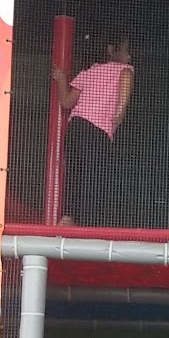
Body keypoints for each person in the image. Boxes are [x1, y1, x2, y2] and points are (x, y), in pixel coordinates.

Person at [55, 29, 133, 225]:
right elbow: (122, 103)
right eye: (126, 50)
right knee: (94, 176)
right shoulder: (125, 70)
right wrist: (117, 118)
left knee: (74, 172)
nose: (129, 56)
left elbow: (66, 102)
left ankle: (68, 217)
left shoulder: (88, 71)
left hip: (76, 126)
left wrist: (61, 78)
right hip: (98, 130)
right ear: (112, 50)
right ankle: (87, 222)